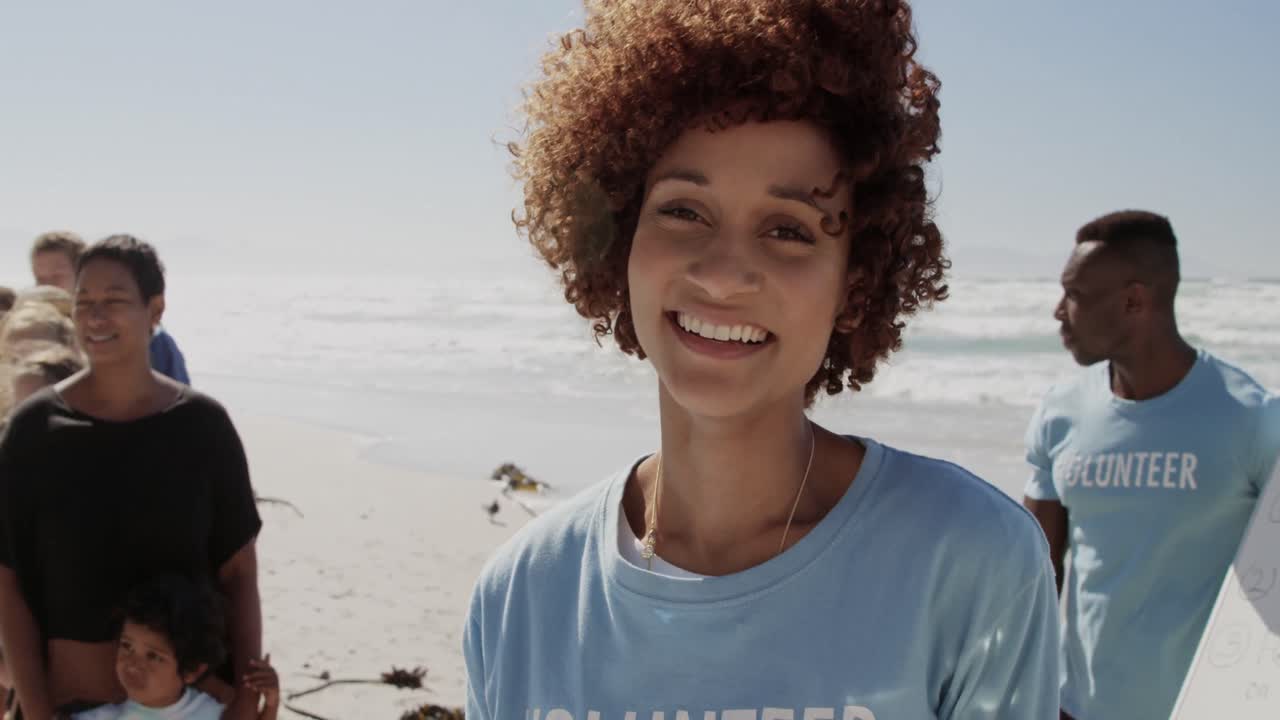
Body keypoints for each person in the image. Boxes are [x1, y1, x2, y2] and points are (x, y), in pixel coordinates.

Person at [464, 2, 1059, 718]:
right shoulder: (521, 596)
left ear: (856, 279)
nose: (723, 275)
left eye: (788, 229)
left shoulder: (970, 562)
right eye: (684, 211)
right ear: (621, 238)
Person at [1022, 210, 1280, 720]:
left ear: (1134, 300)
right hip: (1080, 710)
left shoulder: (1253, 419)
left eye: (1075, 294)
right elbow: (1034, 576)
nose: (1058, 312)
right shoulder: (1060, 416)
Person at [0, 235, 264, 720]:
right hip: (67, 704)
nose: (96, 318)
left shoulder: (203, 427)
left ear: (155, 308)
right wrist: (36, 709)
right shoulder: (35, 430)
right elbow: (7, 579)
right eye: (84, 304)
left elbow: (239, 573)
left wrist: (246, 697)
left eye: (115, 302)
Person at [69, 576, 279, 720]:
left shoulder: (209, 713)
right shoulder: (102, 717)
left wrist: (270, 703)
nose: (133, 663)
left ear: (192, 671)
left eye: (153, 656)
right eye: (127, 646)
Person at [28, 231, 190, 385]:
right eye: (40, 278)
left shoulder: (152, 343)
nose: (46, 286)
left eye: (57, 276)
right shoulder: (28, 338)